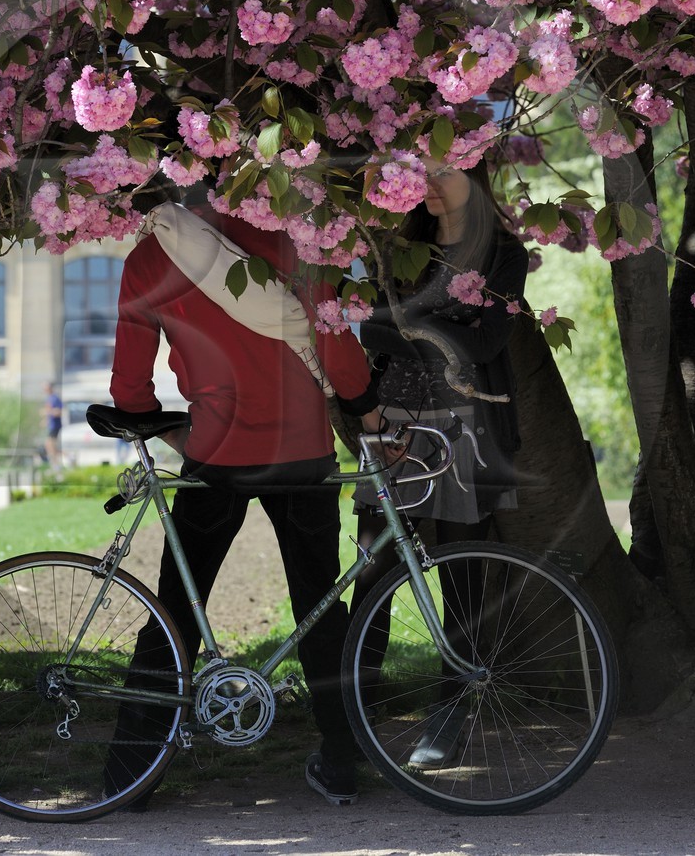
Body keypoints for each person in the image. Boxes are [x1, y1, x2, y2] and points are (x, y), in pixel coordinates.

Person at [103, 192, 385, 809]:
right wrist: (365, 409)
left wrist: (161, 425)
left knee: (176, 611)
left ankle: (130, 772)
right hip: (302, 449)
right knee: (320, 608)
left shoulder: (152, 253)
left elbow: (129, 383)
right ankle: (341, 763)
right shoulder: (300, 238)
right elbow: (336, 351)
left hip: (214, 454)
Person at [351, 161, 527, 768]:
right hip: (392, 422)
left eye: (442, 169)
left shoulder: (504, 252)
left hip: (464, 427)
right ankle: (355, 710)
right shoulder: (401, 247)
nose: (424, 179)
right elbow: (369, 334)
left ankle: (451, 715)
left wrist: (408, 325)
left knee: (463, 580)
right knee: (371, 573)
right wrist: (437, 326)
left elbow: (486, 345)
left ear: (476, 174)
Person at [42, 381, 63, 465]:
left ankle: (56, 464)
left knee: (50, 445)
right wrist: (45, 420)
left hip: (55, 425)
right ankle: (57, 462)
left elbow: (59, 412)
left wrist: (49, 412)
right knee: (49, 445)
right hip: (51, 426)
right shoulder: (48, 398)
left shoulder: (55, 398)